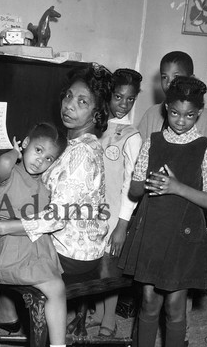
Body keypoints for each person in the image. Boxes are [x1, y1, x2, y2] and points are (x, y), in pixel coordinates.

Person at [0, 63, 112, 344]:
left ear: (96, 113)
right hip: (70, 240)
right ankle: (5, 310)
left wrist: (1, 227)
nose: (69, 106)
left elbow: (55, 218)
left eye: (82, 101)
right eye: (68, 96)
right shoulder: (72, 144)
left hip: (71, 252)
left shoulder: (81, 154)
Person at [119, 76, 207, 347]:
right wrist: (145, 181)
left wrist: (177, 187)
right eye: (175, 113)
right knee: (149, 303)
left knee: (175, 308)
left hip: (183, 236)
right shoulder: (152, 141)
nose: (181, 120)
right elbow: (134, 190)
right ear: (166, 108)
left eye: (189, 115)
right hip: (152, 232)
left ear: (199, 113)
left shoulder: (205, 148)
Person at [0, 123, 68, 347]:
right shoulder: (10, 172)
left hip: (26, 250)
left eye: (49, 158)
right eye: (38, 150)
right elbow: (3, 163)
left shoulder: (43, 185)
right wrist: (15, 151)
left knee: (57, 289)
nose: (40, 160)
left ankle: (58, 345)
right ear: (25, 144)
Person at [86, 68, 143, 338]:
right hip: (89, 210)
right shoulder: (95, 126)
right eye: (119, 97)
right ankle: (97, 313)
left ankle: (109, 317)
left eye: (130, 99)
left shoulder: (132, 136)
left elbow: (130, 185)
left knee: (110, 265)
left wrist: (122, 224)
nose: (123, 104)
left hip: (114, 214)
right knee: (93, 263)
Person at [138, 51, 207, 144]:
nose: (169, 83)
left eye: (176, 76)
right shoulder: (151, 114)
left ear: (191, 79)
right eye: (164, 77)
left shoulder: (206, 117)